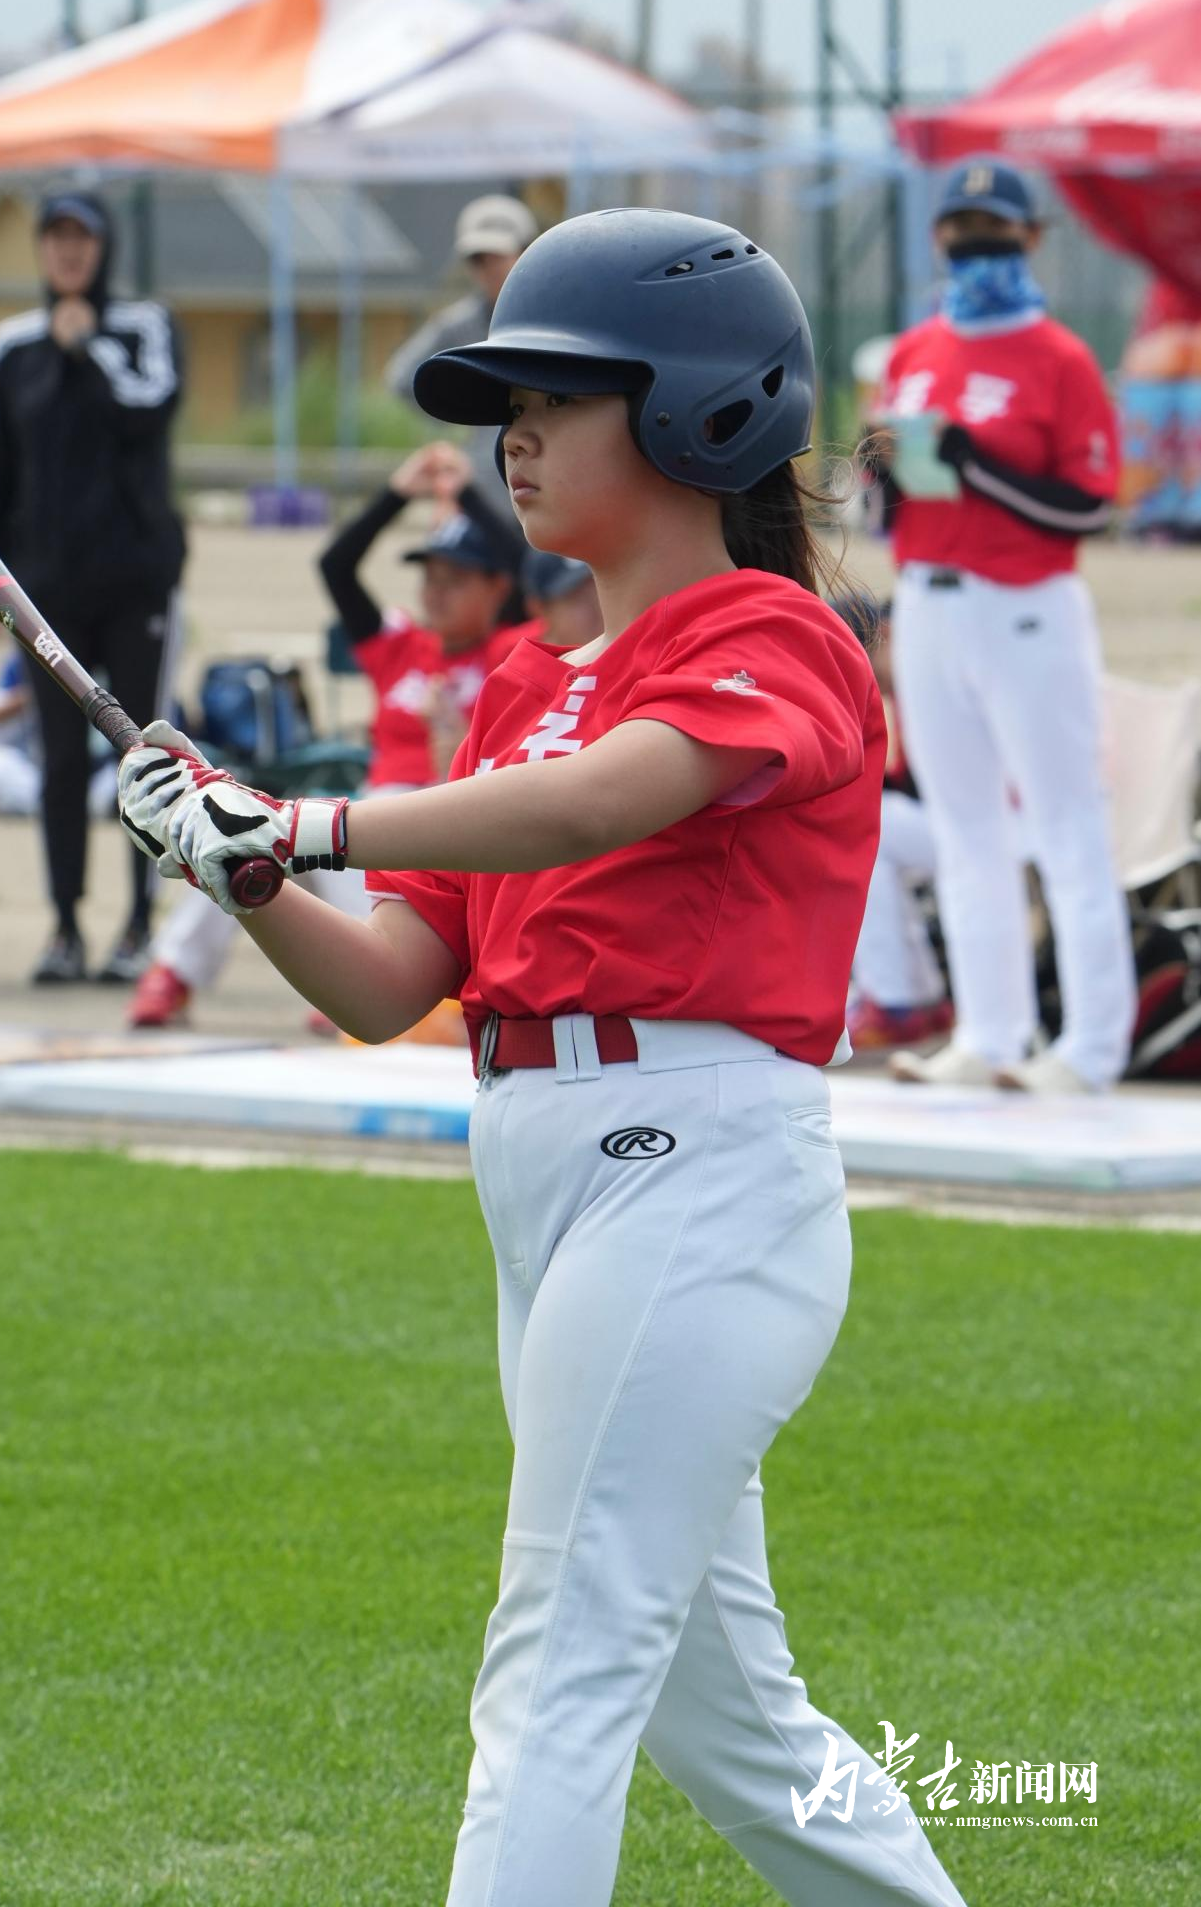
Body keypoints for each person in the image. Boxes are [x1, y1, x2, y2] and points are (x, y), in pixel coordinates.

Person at [116, 209, 968, 1907]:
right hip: (545, 1175)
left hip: (697, 1170)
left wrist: (307, 817)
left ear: (702, 411)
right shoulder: (520, 684)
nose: (515, 434)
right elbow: (388, 985)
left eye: (558, 396)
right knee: (728, 1727)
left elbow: (608, 800)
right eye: (508, 401)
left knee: (557, 1668)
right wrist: (242, 872)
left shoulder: (775, 635)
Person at [866, 160, 1135, 1092]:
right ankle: (989, 1034)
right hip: (928, 599)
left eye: (993, 225)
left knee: (1064, 822)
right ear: (936, 236)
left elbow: (1087, 506)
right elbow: (889, 508)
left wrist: (976, 463)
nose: (974, 242)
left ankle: (1090, 1046)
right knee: (962, 826)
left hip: (1024, 605)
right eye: (960, 225)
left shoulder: (1058, 359)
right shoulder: (914, 350)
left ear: (1030, 237)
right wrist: (885, 471)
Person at [125, 439, 528, 1029]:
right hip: (372, 835)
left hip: (446, 846)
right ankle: (173, 974)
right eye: (430, 576)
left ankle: (354, 994)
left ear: (498, 588)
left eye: (457, 578)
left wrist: (465, 492)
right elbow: (336, 566)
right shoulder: (402, 647)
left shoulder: (514, 649)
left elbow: (528, 568)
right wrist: (398, 494)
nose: (435, 591)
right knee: (238, 833)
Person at [0, 187, 185, 986]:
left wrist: (88, 347)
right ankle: (64, 925)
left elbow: (150, 409)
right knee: (59, 759)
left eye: (82, 238)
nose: (68, 251)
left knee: (143, 753)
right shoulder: (12, 347)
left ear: (103, 248)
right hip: (45, 594)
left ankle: (139, 925)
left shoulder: (143, 327)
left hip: (136, 583)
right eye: (55, 236)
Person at [837, 595, 955, 1051]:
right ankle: (916, 1001)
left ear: (884, 636)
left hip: (1011, 830)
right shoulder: (915, 680)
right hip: (982, 827)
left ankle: (895, 1004)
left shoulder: (932, 674)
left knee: (864, 827)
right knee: (873, 834)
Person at [386, 195, 538, 503]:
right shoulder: (457, 325)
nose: (488, 268)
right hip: (482, 489)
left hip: (545, 476)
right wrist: (461, 411)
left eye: (497, 255)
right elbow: (401, 377)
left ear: (526, 252)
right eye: (478, 259)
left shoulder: (553, 321)